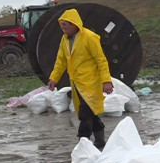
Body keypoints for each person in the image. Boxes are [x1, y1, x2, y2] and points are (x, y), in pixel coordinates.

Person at [47, 9, 113, 150]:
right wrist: (54, 78)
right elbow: (61, 61)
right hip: (77, 83)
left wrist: (106, 81)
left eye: (65, 24)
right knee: (90, 113)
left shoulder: (89, 37)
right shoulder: (64, 40)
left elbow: (101, 60)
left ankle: (82, 143)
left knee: (85, 113)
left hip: (91, 83)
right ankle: (100, 142)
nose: (63, 27)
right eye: (62, 24)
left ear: (75, 24)